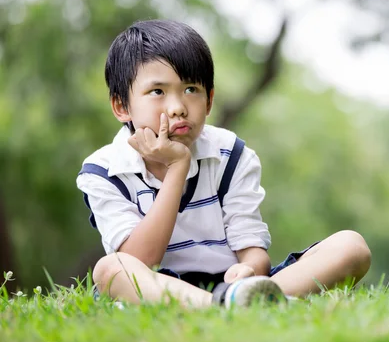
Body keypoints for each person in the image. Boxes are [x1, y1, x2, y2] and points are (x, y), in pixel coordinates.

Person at [76, 19, 371, 308]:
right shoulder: (103, 171)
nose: (178, 107)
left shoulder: (231, 154)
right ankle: (226, 306)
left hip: (234, 284)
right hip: (161, 286)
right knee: (111, 269)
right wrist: (178, 167)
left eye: (191, 89)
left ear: (209, 100)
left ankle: (249, 299)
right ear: (121, 106)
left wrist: (249, 271)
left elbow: (252, 250)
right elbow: (142, 260)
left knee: (351, 246)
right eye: (158, 92)